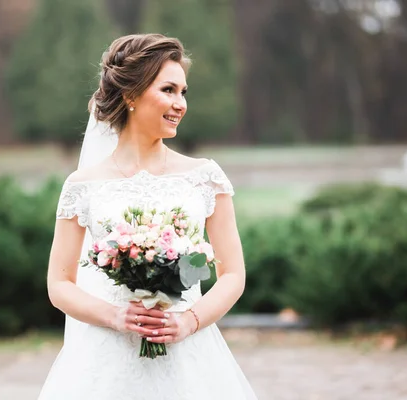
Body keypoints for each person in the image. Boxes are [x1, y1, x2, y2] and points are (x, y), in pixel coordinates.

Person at [37, 33, 259, 400]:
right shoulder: (83, 185)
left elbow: (233, 274)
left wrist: (189, 321)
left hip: (187, 355)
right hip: (106, 360)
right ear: (130, 96)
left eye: (183, 92)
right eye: (168, 90)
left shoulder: (206, 177)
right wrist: (115, 316)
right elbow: (59, 284)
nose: (180, 103)